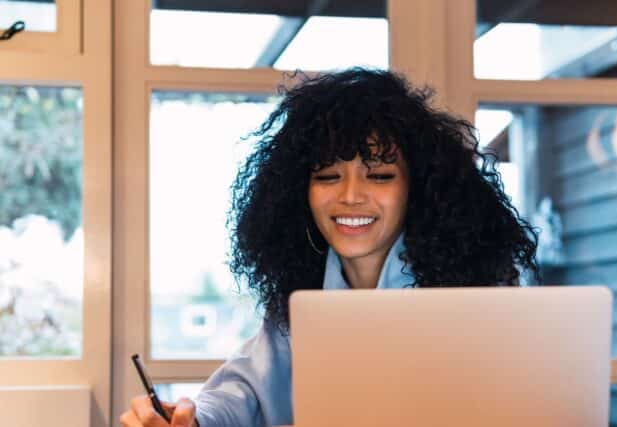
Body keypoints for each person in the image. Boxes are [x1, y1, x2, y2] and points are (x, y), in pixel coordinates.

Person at [120, 68, 539, 427]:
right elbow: (242, 391)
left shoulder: (479, 295)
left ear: (420, 189)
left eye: (378, 175)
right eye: (327, 176)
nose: (351, 196)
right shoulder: (304, 297)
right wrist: (191, 417)